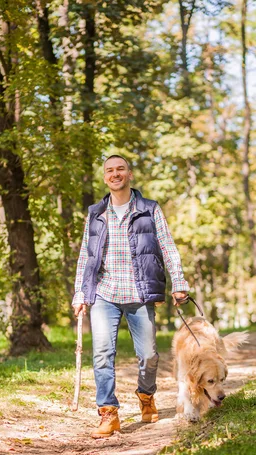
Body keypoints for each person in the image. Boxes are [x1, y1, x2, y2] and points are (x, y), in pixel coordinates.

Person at [73, 155, 189, 438]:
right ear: (104, 177)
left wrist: (179, 281)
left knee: (148, 355)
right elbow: (85, 256)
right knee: (102, 353)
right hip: (104, 293)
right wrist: (80, 291)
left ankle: (146, 395)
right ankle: (108, 413)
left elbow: (168, 247)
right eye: (110, 170)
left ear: (130, 174)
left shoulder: (149, 209)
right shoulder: (96, 212)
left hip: (139, 291)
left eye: (120, 169)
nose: (115, 174)